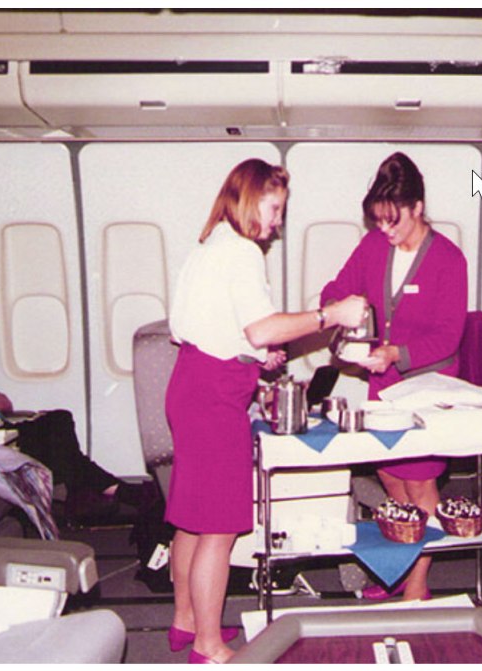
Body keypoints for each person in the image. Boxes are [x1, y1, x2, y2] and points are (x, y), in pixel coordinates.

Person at [166, 158, 367, 663]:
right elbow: (258, 326)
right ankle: (209, 646)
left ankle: (185, 621)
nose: (277, 222)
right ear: (250, 198)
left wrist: (255, 356)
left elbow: (208, 328)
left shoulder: (208, 245)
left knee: (191, 520)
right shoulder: (241, 253)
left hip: (191, 384)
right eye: (274, 209)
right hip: (213, 399)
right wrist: (331, 315)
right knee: (219, 528)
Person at [321, 152, 468, 602]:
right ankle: (403, 566)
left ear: (417, 207)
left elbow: (449, 336)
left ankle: (417, 585)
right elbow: (335, 288)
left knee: (420, 482)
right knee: (390, 476)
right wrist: (351, 307)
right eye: (378, 221)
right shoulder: (373, 247)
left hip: (428, 386)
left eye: (393, 220)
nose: (385, 230)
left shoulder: (448, 259)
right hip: (383, 385)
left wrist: (397, 354)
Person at [0, 319, 155, 524]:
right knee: (58, 432)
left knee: (59, 419)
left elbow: (4, 404)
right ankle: (109, 490)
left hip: (4, 431)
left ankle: (87, 491)